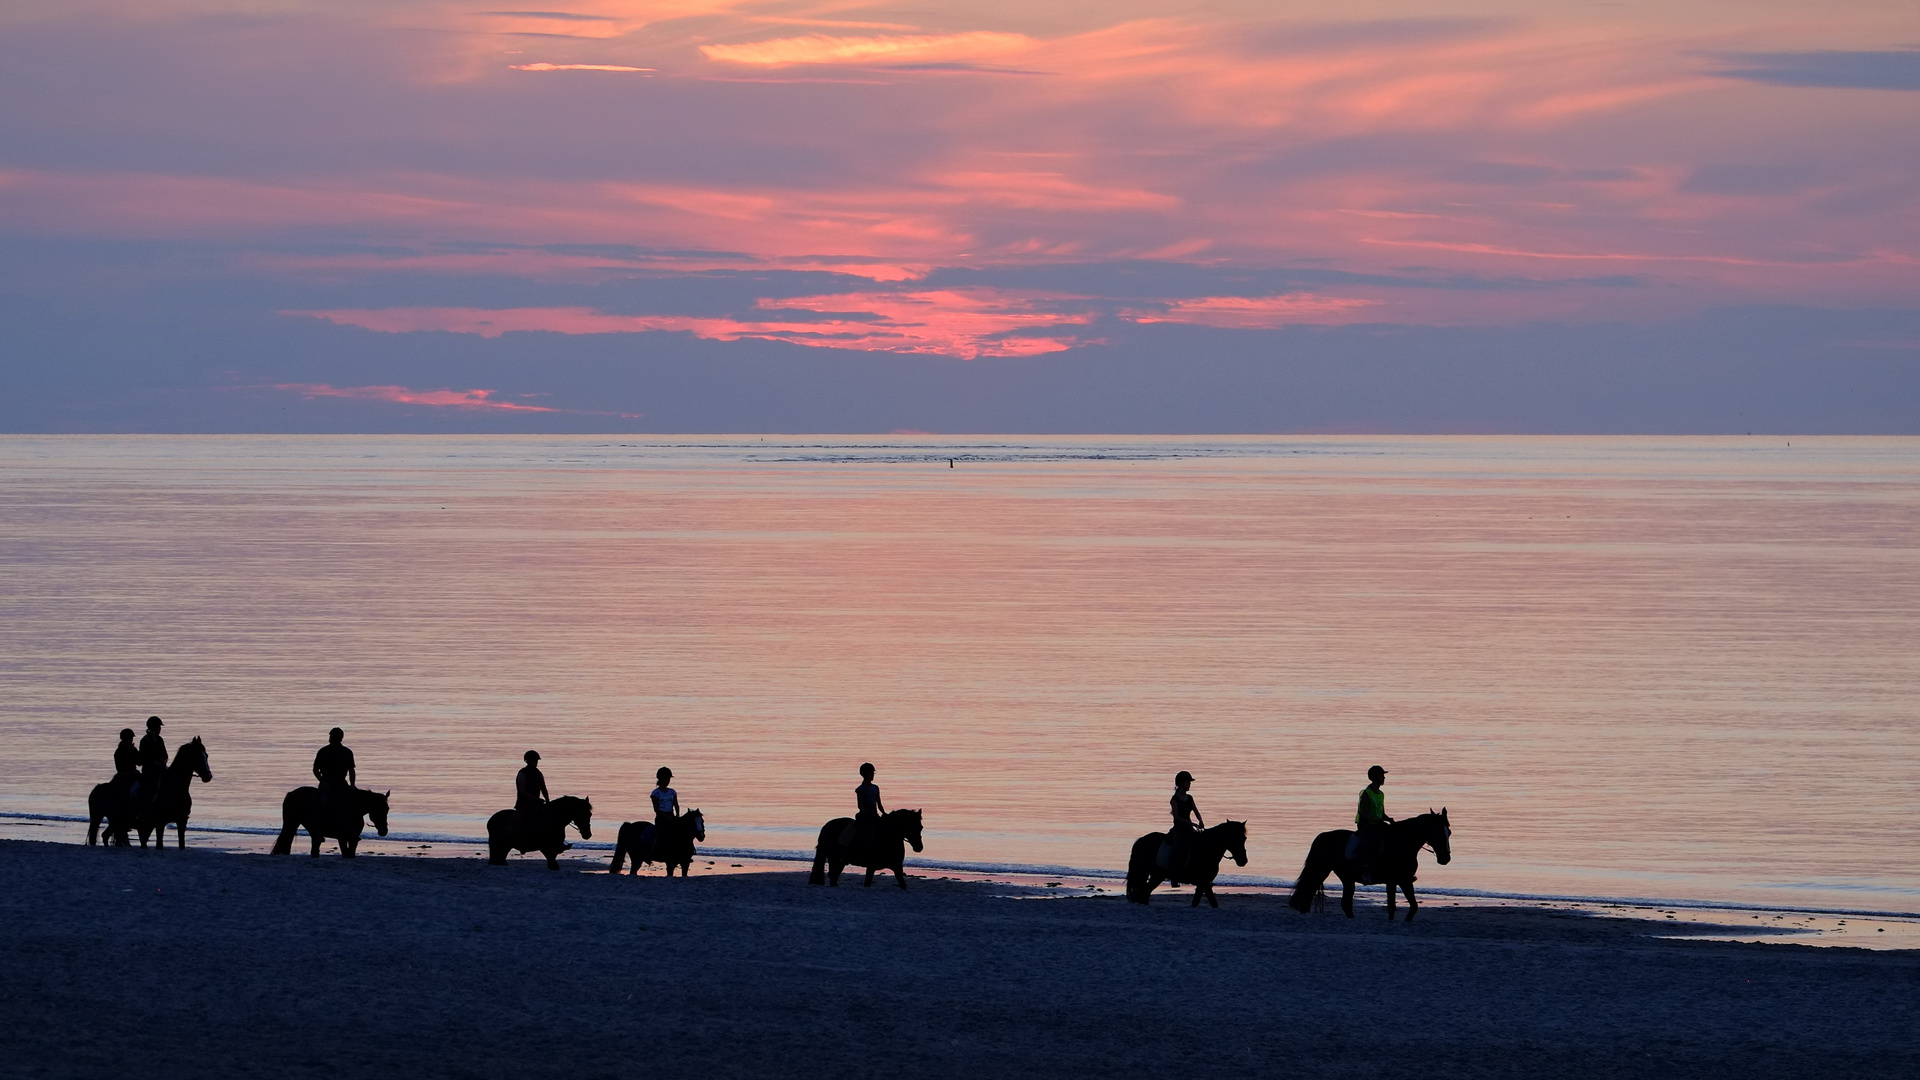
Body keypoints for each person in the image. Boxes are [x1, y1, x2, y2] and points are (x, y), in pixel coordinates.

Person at [1345, 765, 1393, 868]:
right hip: (1366, 825)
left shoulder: (1381, 794)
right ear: (1375, 777)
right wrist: (1377, 820)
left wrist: (1389, 819)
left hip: (1378, 824)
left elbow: (1381, 813)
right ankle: (1365, 865)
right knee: (1371, 842)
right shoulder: (1366, 793)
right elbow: (1364, 814)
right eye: (1382, 775)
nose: (1384, 778)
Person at [1161, 770, 1204, 871]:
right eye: (1187, 782)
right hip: (1179, 830)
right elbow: (1177, 817)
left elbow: (1196, 812)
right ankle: (1173, 872)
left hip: (1189, 829)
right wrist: (1192, 823)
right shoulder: (1174, 799)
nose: (1189, 784)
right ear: (1181, 783)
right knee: (1177, 848)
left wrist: (1200, 821)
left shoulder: (1189, 798)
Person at [312, 727, 356, 811]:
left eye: (332, 736)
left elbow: (351, 770)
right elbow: (315, 769)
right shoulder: (323, 752)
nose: (331, 738)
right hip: (327, 783)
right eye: (331, 736)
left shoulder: (346, 752)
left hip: (341, 783)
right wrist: (322, 781)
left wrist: (352, 785)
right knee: (322, 804)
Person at [851, 762, 886, 848]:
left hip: (874, 815)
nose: (872, 775)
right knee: (864, 832)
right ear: (864, 774)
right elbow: (860, 806)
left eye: (872, 773)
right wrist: (868, 813)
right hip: (865, 816)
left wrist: (884, 813)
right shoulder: (860, 789)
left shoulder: (875, 788)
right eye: (870, 773)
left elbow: (879, 804)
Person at [136, 716, 168, 809]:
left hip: (161, 770)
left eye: (159, 727)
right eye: (158, 726)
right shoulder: (145, 740)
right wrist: (154, 763)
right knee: (148, 788)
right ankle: (145, 809)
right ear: (152, 727)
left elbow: (165, 755)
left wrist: (164, 761)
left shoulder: (160, 739)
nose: (159, 729)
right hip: (149, 771)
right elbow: (144, 757)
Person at [514, 750, 549, 828]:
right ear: (528, 761)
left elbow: (543, 788)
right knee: (521, 822)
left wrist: (547, 800)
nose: (536, 762)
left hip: (536, 804)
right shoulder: (522, 773)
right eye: (534, 760)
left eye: (536, 761)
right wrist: (535, 799)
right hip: (523, 804)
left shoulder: (538, 773)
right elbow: (522, 791)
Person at [112, 727, 140, 805]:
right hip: (130, 774)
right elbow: (139, 762)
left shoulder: (118, 751)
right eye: (130, 738)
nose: (131, 740)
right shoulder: (129, 750)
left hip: (120, 775)